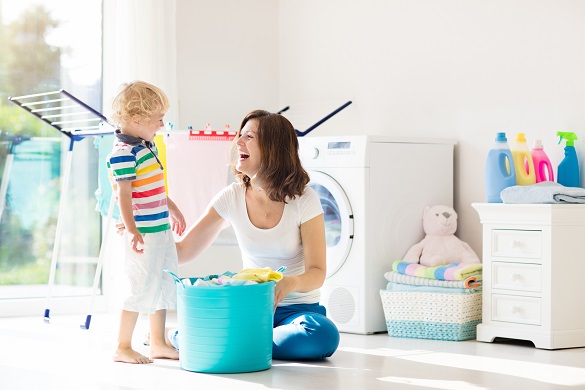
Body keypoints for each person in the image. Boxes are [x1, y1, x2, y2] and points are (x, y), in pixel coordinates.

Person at [172, 109, 340, 360]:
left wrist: (288, 283)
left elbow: (317, 273)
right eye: (240, 135)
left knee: (322, 335)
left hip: (297, 310)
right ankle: (246, 340)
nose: (238, 142)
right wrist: (144, 233)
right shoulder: (231, 196)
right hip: (250, 307)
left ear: (273, 148)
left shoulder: (304, 199)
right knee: (189, 328)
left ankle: (231, 341)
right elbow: (184, 251)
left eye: (249, 137)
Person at [107, 81, 186, 364]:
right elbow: (123, 195)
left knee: (165, 281)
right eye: (158, 119)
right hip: (144, 233)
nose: (162, 124)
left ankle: (158, 342)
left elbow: (154, 188)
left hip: (160, 228)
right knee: (139, 285)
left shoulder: (146, 146)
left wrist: (172, 209)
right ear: (136, 119)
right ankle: (122, 346)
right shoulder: (123, 154)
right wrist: (131, 230)